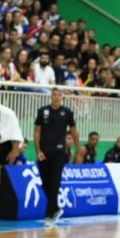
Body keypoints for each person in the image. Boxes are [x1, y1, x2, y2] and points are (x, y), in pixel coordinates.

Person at [34, 88, 79, 227]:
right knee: (45, 183)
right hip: (44, 153)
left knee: (54, 183)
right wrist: (38, 150)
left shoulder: (67, 112)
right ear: (51, 96)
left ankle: (49, 215)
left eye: (59, 95)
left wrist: (78, 147)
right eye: (54, 94)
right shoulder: (42, 111)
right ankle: (56, 208)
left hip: (59, 153)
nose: (57, 97)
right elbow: (37, 132)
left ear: (62, 98)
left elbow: (74, 131)